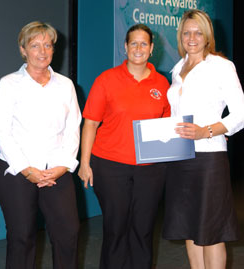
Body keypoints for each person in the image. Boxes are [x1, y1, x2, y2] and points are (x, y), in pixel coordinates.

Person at [78, 24, 170, 269]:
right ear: (125, 47)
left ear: (151, 49)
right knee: (116, 229)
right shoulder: (106, 80)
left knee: (143, 230)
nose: (138, 48)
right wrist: (84, 163)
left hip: (150, 169)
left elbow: (169, 126)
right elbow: (90, 124)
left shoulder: (163, 85)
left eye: (144, 44)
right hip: (110, 166)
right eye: (133, 43)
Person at [0, 21, 81, 269]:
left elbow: (73, 127)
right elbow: (1, 130)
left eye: (48, 45)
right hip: (17, 171)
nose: (42, 51)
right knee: (22, 238)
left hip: (56, 171)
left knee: (68, 235)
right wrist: (27, 169)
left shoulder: (66, 85)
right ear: (23, 50)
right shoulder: (9, 83)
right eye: (35, 45)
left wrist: (62, 166)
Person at [162, 9, 244, 269]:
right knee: (189, 226)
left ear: (208, 35)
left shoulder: (221, 66)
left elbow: (240, 114)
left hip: (209, 158)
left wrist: (205, 131)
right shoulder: (178, 69)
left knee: (211, 231)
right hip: (179, 157)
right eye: (186, 32)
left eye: (198, 32)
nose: (192, 37)